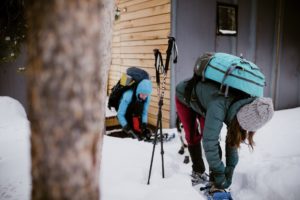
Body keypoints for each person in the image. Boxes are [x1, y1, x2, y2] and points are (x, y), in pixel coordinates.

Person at [175, 78, 274, 193]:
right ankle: (198, 171)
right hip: (186, 95)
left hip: (206, 103)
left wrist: (229, 171)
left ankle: (214, 181)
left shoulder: (247, 106)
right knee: (193, 135)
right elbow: (210, 143)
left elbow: (233, 139)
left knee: (208, 132)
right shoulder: (219, 106)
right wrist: (220, 173)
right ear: (240, 119)